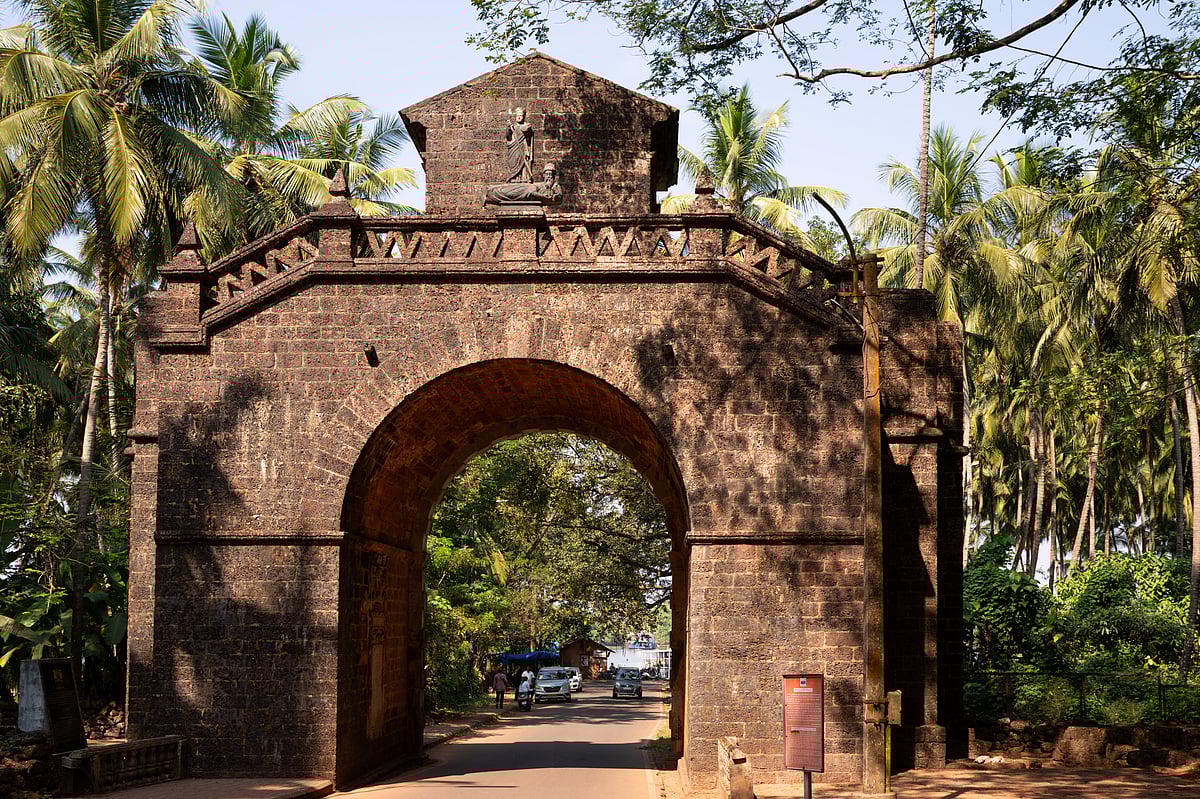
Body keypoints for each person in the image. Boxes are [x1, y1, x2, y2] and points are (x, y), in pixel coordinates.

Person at [483, 162, 563, 206]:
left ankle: (491, 196)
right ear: (544, 175)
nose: (548, 177)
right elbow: (532, 192)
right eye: (547, 174)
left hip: (526, 194)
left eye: (550, 174)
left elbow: (557, 198)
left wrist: (550, 193)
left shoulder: (555, 186)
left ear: (553, 176)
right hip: (526, 189)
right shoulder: (540, 185)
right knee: (509, 189)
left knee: (509, 194)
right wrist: (542, 196)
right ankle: (492, 190)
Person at [504, 107, 534, 183]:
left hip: (523, 149)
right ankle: (513, 178)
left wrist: (522, 129)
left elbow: (528, 133)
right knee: (513, 162)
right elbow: (508, 136)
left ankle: (524, 179)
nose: (519, 117)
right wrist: (508, 128)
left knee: (523, 163)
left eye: (521, 115)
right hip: (514, 149)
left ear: (523, 117)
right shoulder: (513, 127)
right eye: (518, 115)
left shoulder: (527, 126)